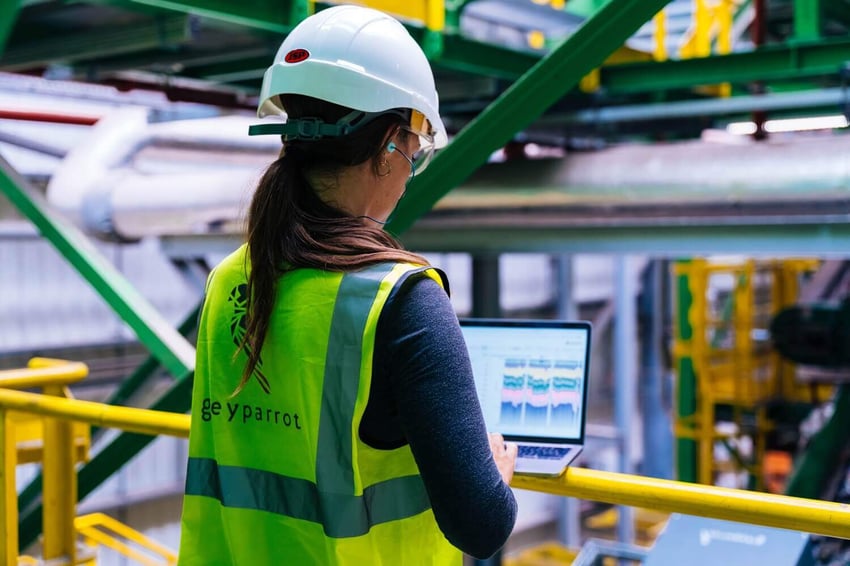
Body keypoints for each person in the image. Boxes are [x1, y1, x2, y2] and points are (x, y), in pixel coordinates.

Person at [178, 5, 518, 565]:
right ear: (388, 145)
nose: (410, 169)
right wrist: (496, 475)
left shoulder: (231, 279)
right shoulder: (403, 303)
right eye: (414, 150)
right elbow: (481, 525)